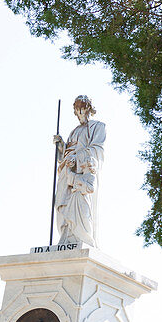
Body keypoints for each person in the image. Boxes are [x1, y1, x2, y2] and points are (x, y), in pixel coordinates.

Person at [52, 95, 105, 246]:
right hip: (66, 172)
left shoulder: (98, 127)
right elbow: (65, 156)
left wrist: (78, 156)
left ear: (89, 108)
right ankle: (66, 237)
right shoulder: (74, 131)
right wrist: (61, 146)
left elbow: (97, 150)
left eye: (83, 107)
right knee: (62, 204)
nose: (81, 111)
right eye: (78, 108)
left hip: (82, 173)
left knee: (81, 207)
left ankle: (81, 239)